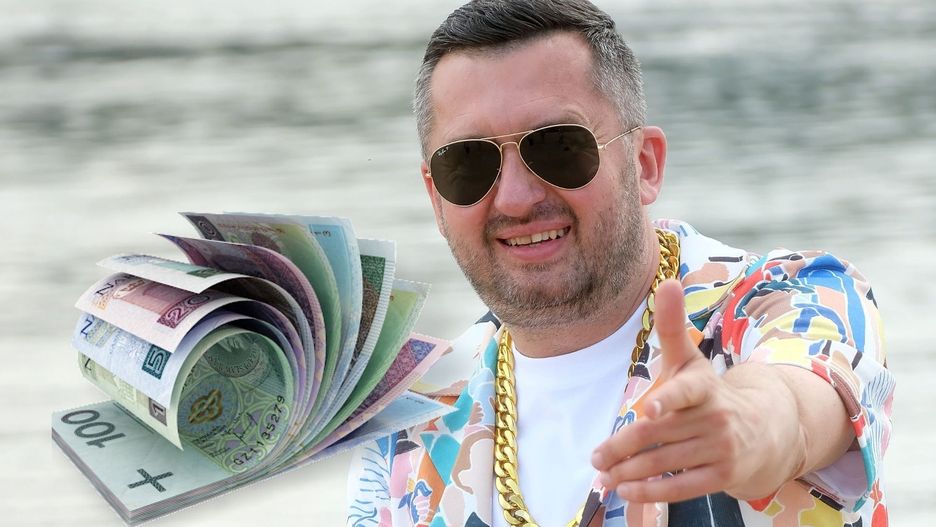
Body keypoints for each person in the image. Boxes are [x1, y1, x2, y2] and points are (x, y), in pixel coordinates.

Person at [347, 1, 894, 525]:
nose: (514, 198)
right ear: (436, 198)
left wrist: (750, 425)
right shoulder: (408, 422)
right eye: (467, 163)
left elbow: (801, 397)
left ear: (645, 164)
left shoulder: (792, 298)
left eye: (559, 148)